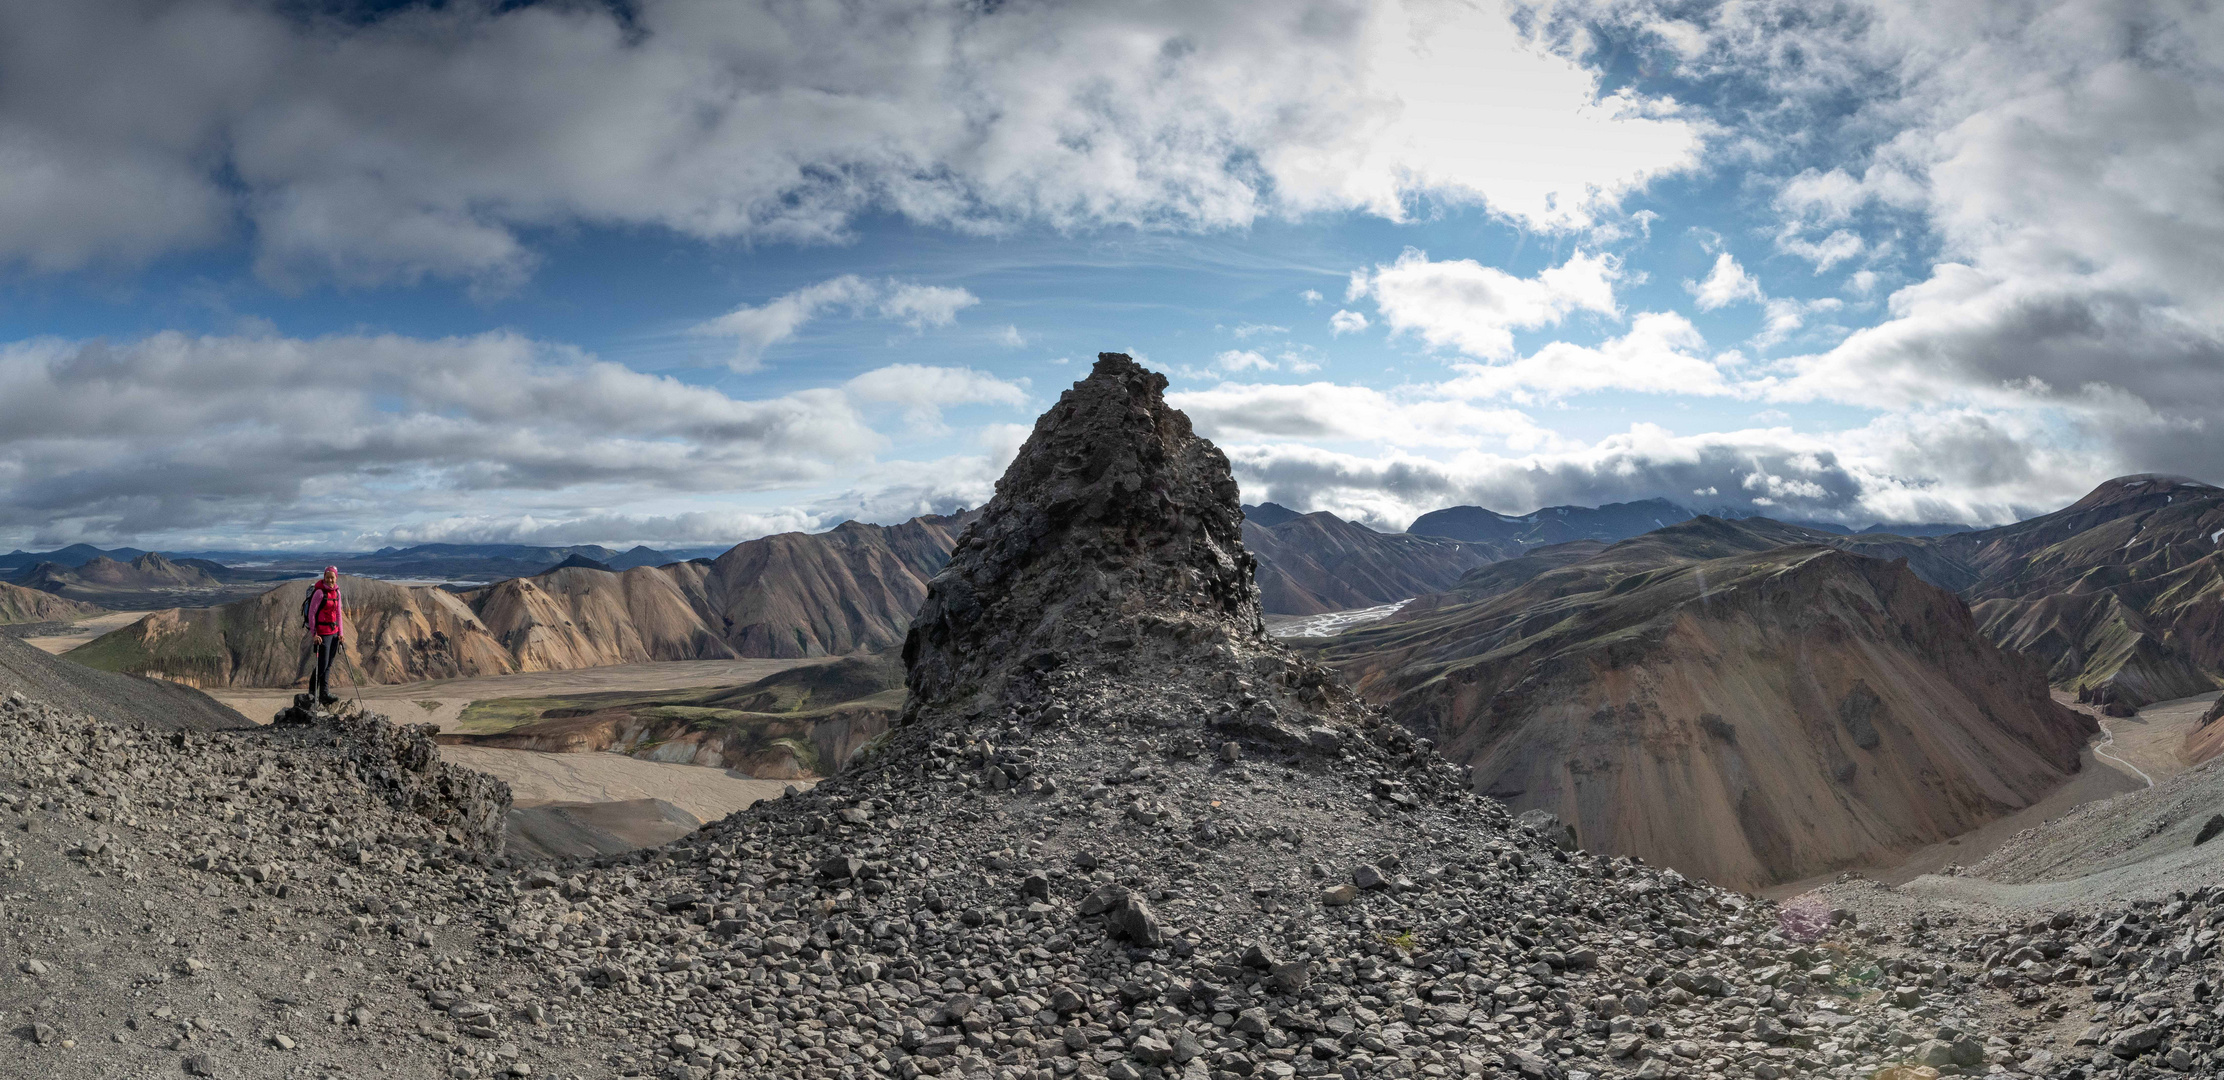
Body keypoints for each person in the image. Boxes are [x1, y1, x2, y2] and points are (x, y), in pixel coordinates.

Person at [301, 567, 346, 706]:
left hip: (333, 633)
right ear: (324, 577)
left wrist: (341, 633)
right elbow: (312, 615)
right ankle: (312, 693)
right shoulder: (319, 593)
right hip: (323, 635)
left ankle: (324, 694)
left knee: (328, 665)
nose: (330, 580)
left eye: (332, 577)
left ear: (336, 577)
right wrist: (314, 634)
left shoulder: (337, 592)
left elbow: (338, 614)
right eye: (327, 577)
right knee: (322, 665)